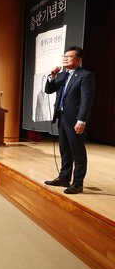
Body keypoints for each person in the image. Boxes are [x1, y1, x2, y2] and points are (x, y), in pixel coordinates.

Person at [44, 46, 95, 194]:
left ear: (78, 60)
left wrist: (81, 121)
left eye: (69, 57)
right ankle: (64, 178)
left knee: (77, 151)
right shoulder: (61, 75)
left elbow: (87, 100)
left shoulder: (85, 75)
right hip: (62, 117)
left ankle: (77, 183)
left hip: (75, 120)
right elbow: (49, 90)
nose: (65, 59)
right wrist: (53, 76)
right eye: (64, 56)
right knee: (65, 150)